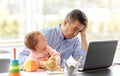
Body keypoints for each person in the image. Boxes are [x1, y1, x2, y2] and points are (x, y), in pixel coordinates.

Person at [18, 9, 88, 68]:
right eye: (75, 29)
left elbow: (80, 63)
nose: (76, 34)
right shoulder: (43, 35)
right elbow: (21, 57)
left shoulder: (75, 40)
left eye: (79, 31)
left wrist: (83, 34)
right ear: (65, 22)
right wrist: (40, 63)